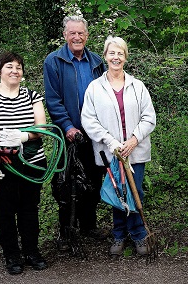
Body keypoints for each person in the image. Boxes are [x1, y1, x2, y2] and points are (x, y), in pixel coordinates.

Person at [0, 52, 48, 274]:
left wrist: (23, 136)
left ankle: (32, 252)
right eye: (9, 66)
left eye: (18, 67)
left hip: (31, 162)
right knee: (3, 211)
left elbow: (41, 128)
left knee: (29, 209)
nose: (15, 71)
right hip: (1, 164)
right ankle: (12, 255)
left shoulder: (32, 96)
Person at [81, 36, 156, 256]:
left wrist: (133, 140)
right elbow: (88, 120)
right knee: (118, 194)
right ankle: (119, 234)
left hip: (135, 151)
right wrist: (111, 142)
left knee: (135, 191)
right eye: (112, 53)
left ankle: (139, 234)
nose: (116, 57)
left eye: (120, 53)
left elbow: (149, 117)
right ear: (105, 56)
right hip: (110, 153)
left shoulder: (138, 86)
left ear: (125, 57)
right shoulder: (95, 88)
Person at [43, 15, 106, 250]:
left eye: (81, 33)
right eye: (72, 33)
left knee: (93, 179)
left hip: (93, 133)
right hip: (67, 134)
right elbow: (53, 100)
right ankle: (66, 230)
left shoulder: (97, 62)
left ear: (87, 35)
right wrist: (68, 127)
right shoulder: (54, 61)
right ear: (65, 35)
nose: (77, 37)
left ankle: (89, 225)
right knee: (65, 182)